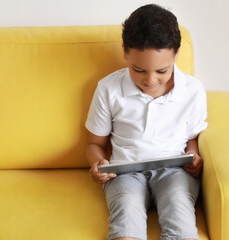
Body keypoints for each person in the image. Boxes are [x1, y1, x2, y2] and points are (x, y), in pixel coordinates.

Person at [85, 4, 208, 240]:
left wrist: (194, 158)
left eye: (162, 71)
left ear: (176, 54)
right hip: (125, 174)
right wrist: (96, 164)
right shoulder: (108, 88)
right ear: (125, 52)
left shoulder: (192, 90)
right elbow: (94, 144)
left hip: (174, 172)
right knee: (126, 210)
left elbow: (192, 138)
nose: (150, 81)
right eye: (138, 70)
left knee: (178, 207)